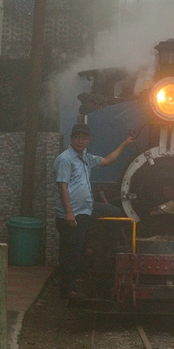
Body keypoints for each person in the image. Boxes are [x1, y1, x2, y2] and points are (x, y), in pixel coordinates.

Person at [55, 123, 136, 301]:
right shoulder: (65, 159)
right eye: (77, 137)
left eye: (84, 138)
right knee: (71, 253)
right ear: (71, 138)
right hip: (72, 214)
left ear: (88, 140)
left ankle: (104, 250)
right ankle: (68, 290)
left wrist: (124, 144)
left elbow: (107, 161)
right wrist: (69, 213)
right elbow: (63, 186)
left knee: (115, 213)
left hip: (86, 210)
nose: (80, 140)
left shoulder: (86, 158)